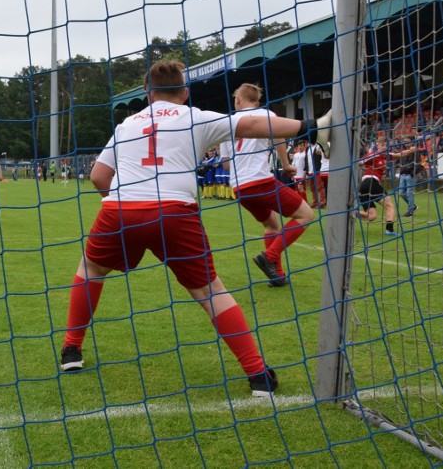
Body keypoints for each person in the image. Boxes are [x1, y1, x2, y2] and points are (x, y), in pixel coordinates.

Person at [59, 60, 330, 398]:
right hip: (176, 213)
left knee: (91, 270)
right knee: (209, 292)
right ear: (185, 93)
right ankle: (258, 375)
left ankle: (71, 350)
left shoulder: (126, 124)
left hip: (119, 210)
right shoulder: (196, 117)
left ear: (147, 93)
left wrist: (124, 206)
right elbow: (253, 123)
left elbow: (99, 176)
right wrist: (311, 126)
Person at [219, 83, 315, 287]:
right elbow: (279, 136)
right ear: (257, 100)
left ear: (237, 100)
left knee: (271, 224)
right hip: (260, 180)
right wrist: (287, 165)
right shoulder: (266, 114)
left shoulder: (226, 123)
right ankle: (269, 256)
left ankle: (277, 275)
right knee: (306, 215)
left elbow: (226, 164)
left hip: (239, 188)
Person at [357, 136, 397, 235]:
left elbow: (399, 155)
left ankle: (349, 213)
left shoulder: (385, 156)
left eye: (386, 145)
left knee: (371, 216)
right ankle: (390, 230)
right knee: (389, 205)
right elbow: (360, 162)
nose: (384, 147)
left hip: (364, 187)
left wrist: (411, 150)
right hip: (370, 182)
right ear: (377, 146)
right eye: (382, 145)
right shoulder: (373, 155)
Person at [392, 135, 419, 217]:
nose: (406, 143)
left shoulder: (415, 151)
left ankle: (410, 210)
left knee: (409, 193)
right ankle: (413, 206)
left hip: (410, 175)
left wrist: (412, 173)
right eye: (405, 141)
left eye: (407, 141)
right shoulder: (404, 151)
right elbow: (400, 161)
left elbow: (417, 163)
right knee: (401, 193)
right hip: (403, 174)